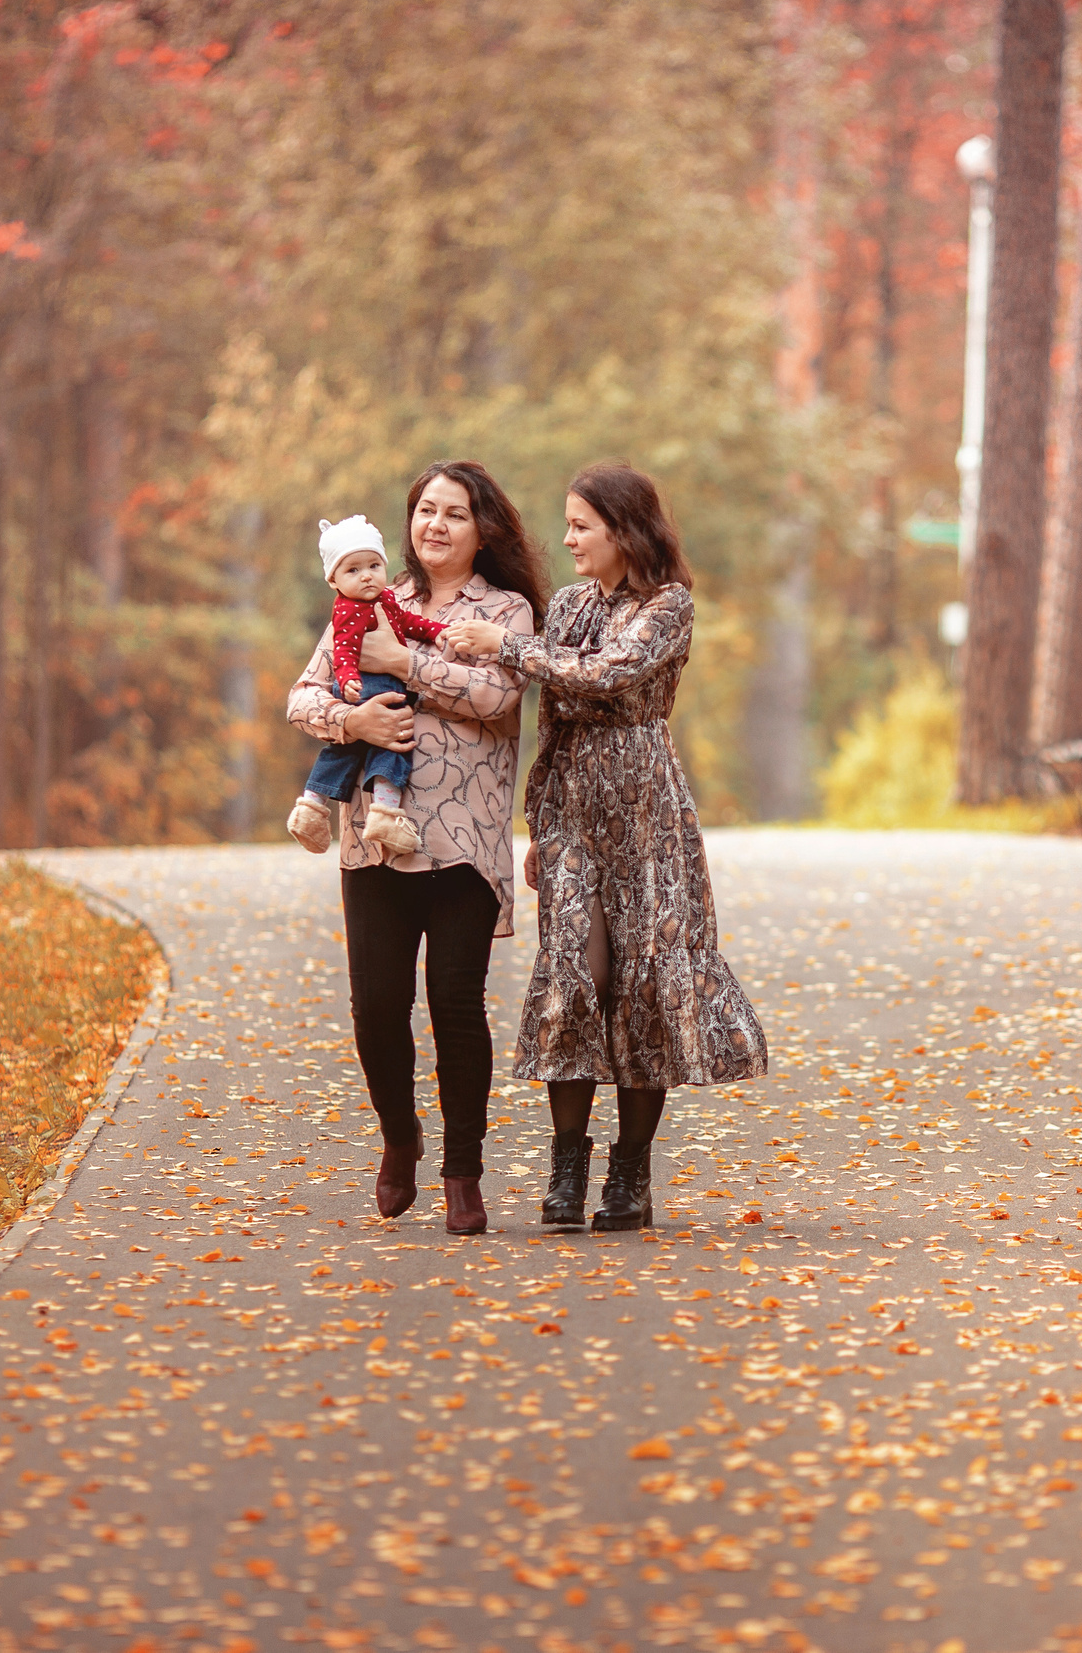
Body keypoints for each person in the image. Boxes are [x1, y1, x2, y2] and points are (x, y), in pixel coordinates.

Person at [440, 461, 766, 1232]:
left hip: (650, 819)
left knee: (644, 987)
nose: (568, 538)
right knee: (572, 982)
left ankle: (631, 1174)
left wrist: (508, 648)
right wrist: (542, 825)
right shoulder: (569, 605)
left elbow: (607, 676)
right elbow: (555, 722)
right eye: (568, 523)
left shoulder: (670, 606)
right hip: (576, 820)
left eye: (582, 525)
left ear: (624, 530)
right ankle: (566, 1167)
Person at [286, 463, 547, 1235]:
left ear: (482, 529)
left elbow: (499, 699)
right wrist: (351, 725)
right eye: (425, 510)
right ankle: (400, 1138)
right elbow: (303, 695)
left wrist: (404, 666)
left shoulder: (508, 611)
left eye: (454, 514)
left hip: (464, 842)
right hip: (375, 841)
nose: (435, 525)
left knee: (456, 1008)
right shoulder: (370, 593)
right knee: (376, 1011)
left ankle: (462, 1172)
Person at [290, 516, 451, 858]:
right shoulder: (349, 610)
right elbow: (344, 651)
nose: (366, 575)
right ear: (333, 580)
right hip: (369, 688)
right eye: (353, 571)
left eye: (374, 565)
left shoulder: (385, 599)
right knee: (395, 744)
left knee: (343, 753)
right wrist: (348, 679)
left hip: (371, 687)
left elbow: (406, 622)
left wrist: (433, 630)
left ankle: (311, 807)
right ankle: (385, 812)